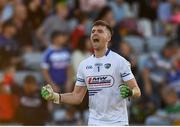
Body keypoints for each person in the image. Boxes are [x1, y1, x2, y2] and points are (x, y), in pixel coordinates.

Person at [41, 20, 141, 125]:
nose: (95, 33)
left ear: (108, 38)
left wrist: (131, 92)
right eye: (93, 31)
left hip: (117, 122)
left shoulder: (120, 61)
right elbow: (77, 96)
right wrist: (55, 96)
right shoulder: (84, 65)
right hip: (94, 122)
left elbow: (137, 90)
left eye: (100, 31)